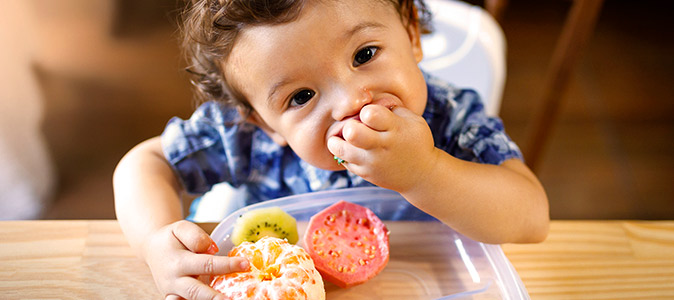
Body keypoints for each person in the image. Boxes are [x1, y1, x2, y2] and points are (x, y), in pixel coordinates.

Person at [113, 0, 550, 299]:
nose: (350, 101)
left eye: (364, 54)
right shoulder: (248, 137)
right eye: (301, 97)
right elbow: (146, 164)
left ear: (412, 34)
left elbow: (531, 216)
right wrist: (155, 240)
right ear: (261, 121)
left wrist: (427, 172)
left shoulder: (452, 119)